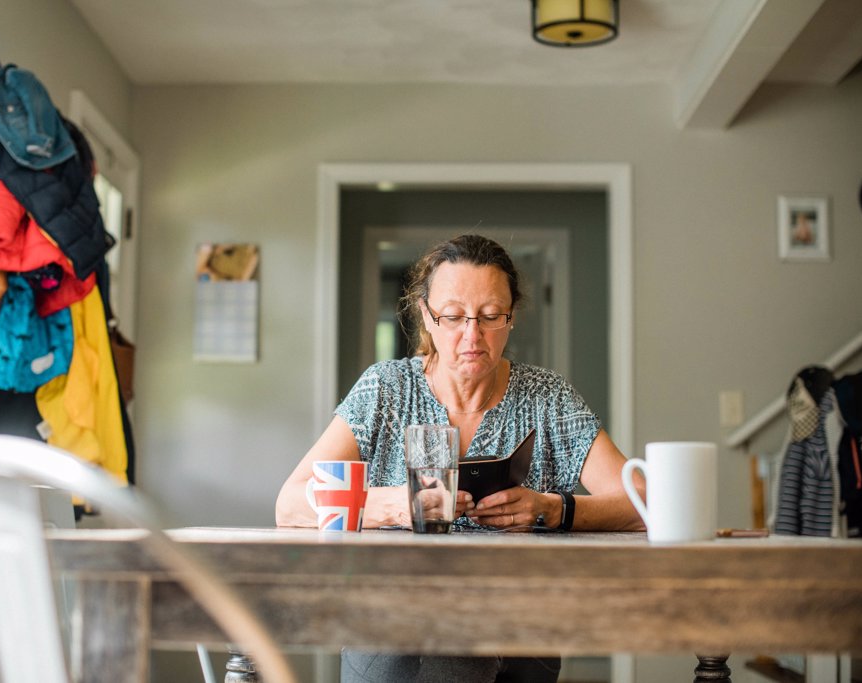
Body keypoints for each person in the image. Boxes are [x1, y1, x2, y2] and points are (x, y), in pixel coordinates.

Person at [276, 233, 645, 682]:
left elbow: (643, 503)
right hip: (390, 619)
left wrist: (553, 509)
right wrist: (396, 505)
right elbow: (291, 503)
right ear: (427, 318)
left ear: (511, 319)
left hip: (517, 625)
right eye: (453, 317)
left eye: (491, 317)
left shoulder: (547, 397)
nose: (472, 335)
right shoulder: (385, 390)